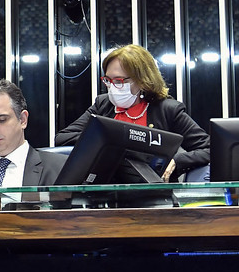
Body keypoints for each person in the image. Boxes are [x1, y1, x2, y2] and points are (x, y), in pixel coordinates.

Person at [55, 44, 210, 182]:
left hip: (153, 194)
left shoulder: (168, 110)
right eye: (108, 80)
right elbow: (62, 138)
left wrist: (178, 160)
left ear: (142, 80)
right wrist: (104, 139)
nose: (112, 87)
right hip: (103, 192)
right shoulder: (103, 105)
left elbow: (210, 148)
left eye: (119, 81)